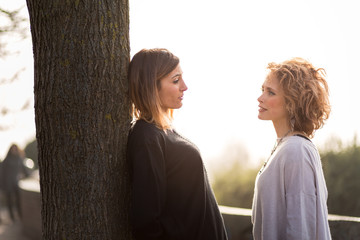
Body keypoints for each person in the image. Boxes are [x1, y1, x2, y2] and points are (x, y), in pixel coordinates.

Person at [127, 48, 228, 240]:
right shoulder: (146, 136)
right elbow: (146, 221)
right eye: (175, 80)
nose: (185, 86)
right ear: (152, 86)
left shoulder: (163, 131)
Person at [252, 57, 332, 239]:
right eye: (262, 90)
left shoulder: (296, 150)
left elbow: (300, 228)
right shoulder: (284, 146)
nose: (260, 98)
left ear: (292, 102)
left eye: (270, 92)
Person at [1, 144, 29, 222]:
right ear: (10, 150)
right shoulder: (6, 160)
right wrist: (2, 184)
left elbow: (24, 170)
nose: (14, 150)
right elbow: (2, 172)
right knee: (9, 201)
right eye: (12, 149)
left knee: (18, 200)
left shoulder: (19, 159)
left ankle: (20, 216)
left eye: (15, 149)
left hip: (16, 183)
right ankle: (12, 217)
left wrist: (29, 175)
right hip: (7, 183)